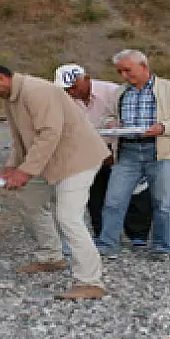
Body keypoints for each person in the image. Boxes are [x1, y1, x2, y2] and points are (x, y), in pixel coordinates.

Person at [0, 64, 106, 299]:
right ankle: (51, 256)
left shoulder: (38, 91)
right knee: (30, 201)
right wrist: (11, 167)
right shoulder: (10, 97)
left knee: (68, 217)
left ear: (1, 77)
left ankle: (91, 281)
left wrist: (25, 172)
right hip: (48, 160)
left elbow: (49, 134)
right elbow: (20, 139)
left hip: (77, 159)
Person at [98, 50, 170, 260]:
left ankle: (161, 247)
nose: (124, 75)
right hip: (128, 152)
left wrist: (163, 127)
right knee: (113, 200)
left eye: (128, 70)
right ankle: (107, 244)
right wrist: (111, 124)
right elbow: (108, 116)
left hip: (161, 151)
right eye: (120, 71)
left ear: (144, 66)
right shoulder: (120, 92)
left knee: (163, 202)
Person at [54, 63, 152, 245]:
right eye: (66, 89)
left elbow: (126, 121)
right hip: (88, 151)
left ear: (87, 79)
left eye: (74, 87)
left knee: (132, 191)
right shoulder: (63, 100)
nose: (71, 92)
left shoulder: (113, 92)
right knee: (95, 193)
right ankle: (102, 234)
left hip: (120, 148)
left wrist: (112, 151)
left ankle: (137, 234)